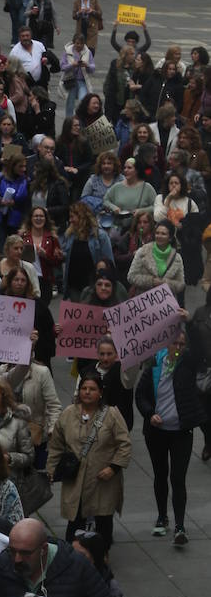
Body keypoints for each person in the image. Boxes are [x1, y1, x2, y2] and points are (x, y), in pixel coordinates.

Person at [46, 372, 131, 545]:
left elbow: (124, 444)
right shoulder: (68, 414)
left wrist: (113, 468)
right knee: (75, 520)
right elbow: (56, 444)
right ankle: (73, 556)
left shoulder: (112, 414)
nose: (87, 392)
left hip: (102, 480)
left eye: (92, 389)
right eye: (84, 388)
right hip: (75, 479)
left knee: (103, 520)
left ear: (100, 392)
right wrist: (51, 468)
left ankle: (102, 557)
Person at [136, 329, 203, 544]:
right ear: (166, 345)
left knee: (178, 478)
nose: (178, 348)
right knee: (160, 474)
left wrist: (190, 322)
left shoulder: (187, 366)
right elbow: (140, 395)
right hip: (156, 432)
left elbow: (202, 348)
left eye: (183, 344)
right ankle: (161, 517)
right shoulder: (154, 367)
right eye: (175, 343)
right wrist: (149, 413)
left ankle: (180, 526)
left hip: (181, 432)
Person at [127, 217, 185, 297]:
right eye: (157, 233)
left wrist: (165, 283)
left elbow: (180, 284)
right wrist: (152, 281)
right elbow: (131, 276)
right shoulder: (142, 252)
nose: (159, 236)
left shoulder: (177, 258)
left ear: (170, 238)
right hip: (143, 300)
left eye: (163, 234)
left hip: (166, 304)